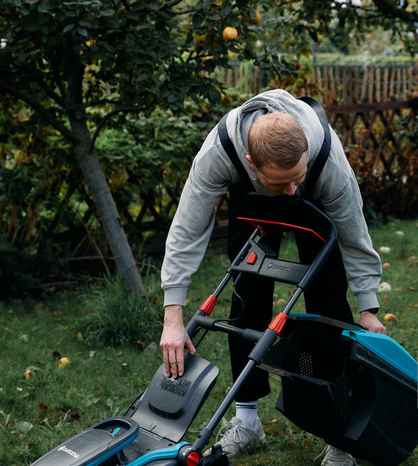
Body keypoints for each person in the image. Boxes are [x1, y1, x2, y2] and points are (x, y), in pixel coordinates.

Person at [160, 89, 386, 466]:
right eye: (282, 184)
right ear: (250, 162)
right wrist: (173, 315)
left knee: (327, 301)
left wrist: (369, 307)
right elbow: (187, 227)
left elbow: (355, 236)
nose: (291, 192)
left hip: (319, 204)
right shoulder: (220, 152)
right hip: (253, 199)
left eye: (296, 178)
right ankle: (247, 422)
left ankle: (338, 434)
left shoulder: (327, 164)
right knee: (247, 293)